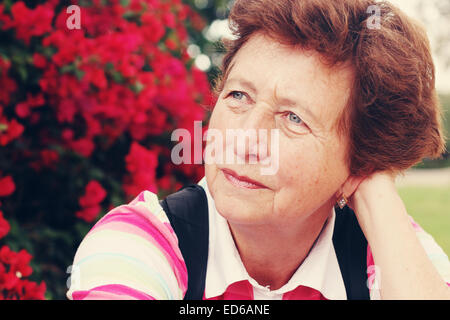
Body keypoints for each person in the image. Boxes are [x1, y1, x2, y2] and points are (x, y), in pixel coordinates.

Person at [67, 0, 450, 300]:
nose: (244, 139)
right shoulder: (139, 244)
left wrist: (377, 197)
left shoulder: (392, 256)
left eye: (293, 118)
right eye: (238, 95)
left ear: (360, 163)